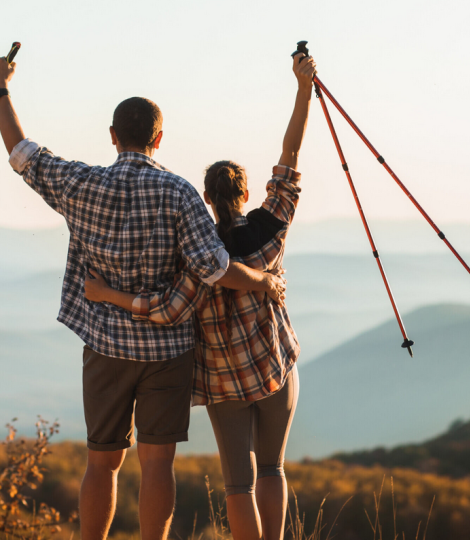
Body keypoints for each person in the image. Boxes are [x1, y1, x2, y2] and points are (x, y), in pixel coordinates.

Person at [0, 57, 284, 540]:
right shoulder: (180, 193)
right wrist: (264, 282)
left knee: (101, 463)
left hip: (104, 347)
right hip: (168, 353)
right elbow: (215, 269)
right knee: (156, 463)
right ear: (159, 139)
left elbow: (20, 151)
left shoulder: (81, 184)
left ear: (112, 135)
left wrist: (0, 89)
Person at [84, 52, 316, 540]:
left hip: (223, 385)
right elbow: (290, 158)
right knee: (273, 469)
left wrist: (108, 294)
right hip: (275, 367)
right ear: (247, 191)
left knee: (239, 485)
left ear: (206, 199)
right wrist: (302, 89)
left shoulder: (196, 257)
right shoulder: (271, 229)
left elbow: (166, 310)